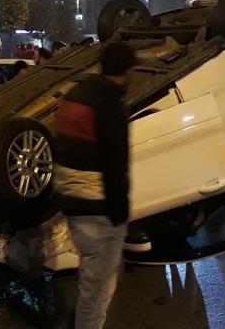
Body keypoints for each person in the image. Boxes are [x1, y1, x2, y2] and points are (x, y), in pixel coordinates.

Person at [53, 42, 137, 329]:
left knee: (92, 272)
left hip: (70, 198)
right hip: (96, 203)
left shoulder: (76, 94)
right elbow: (115, 164)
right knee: (98, 287)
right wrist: (121, 211)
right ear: (125, 71)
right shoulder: (110, 104)